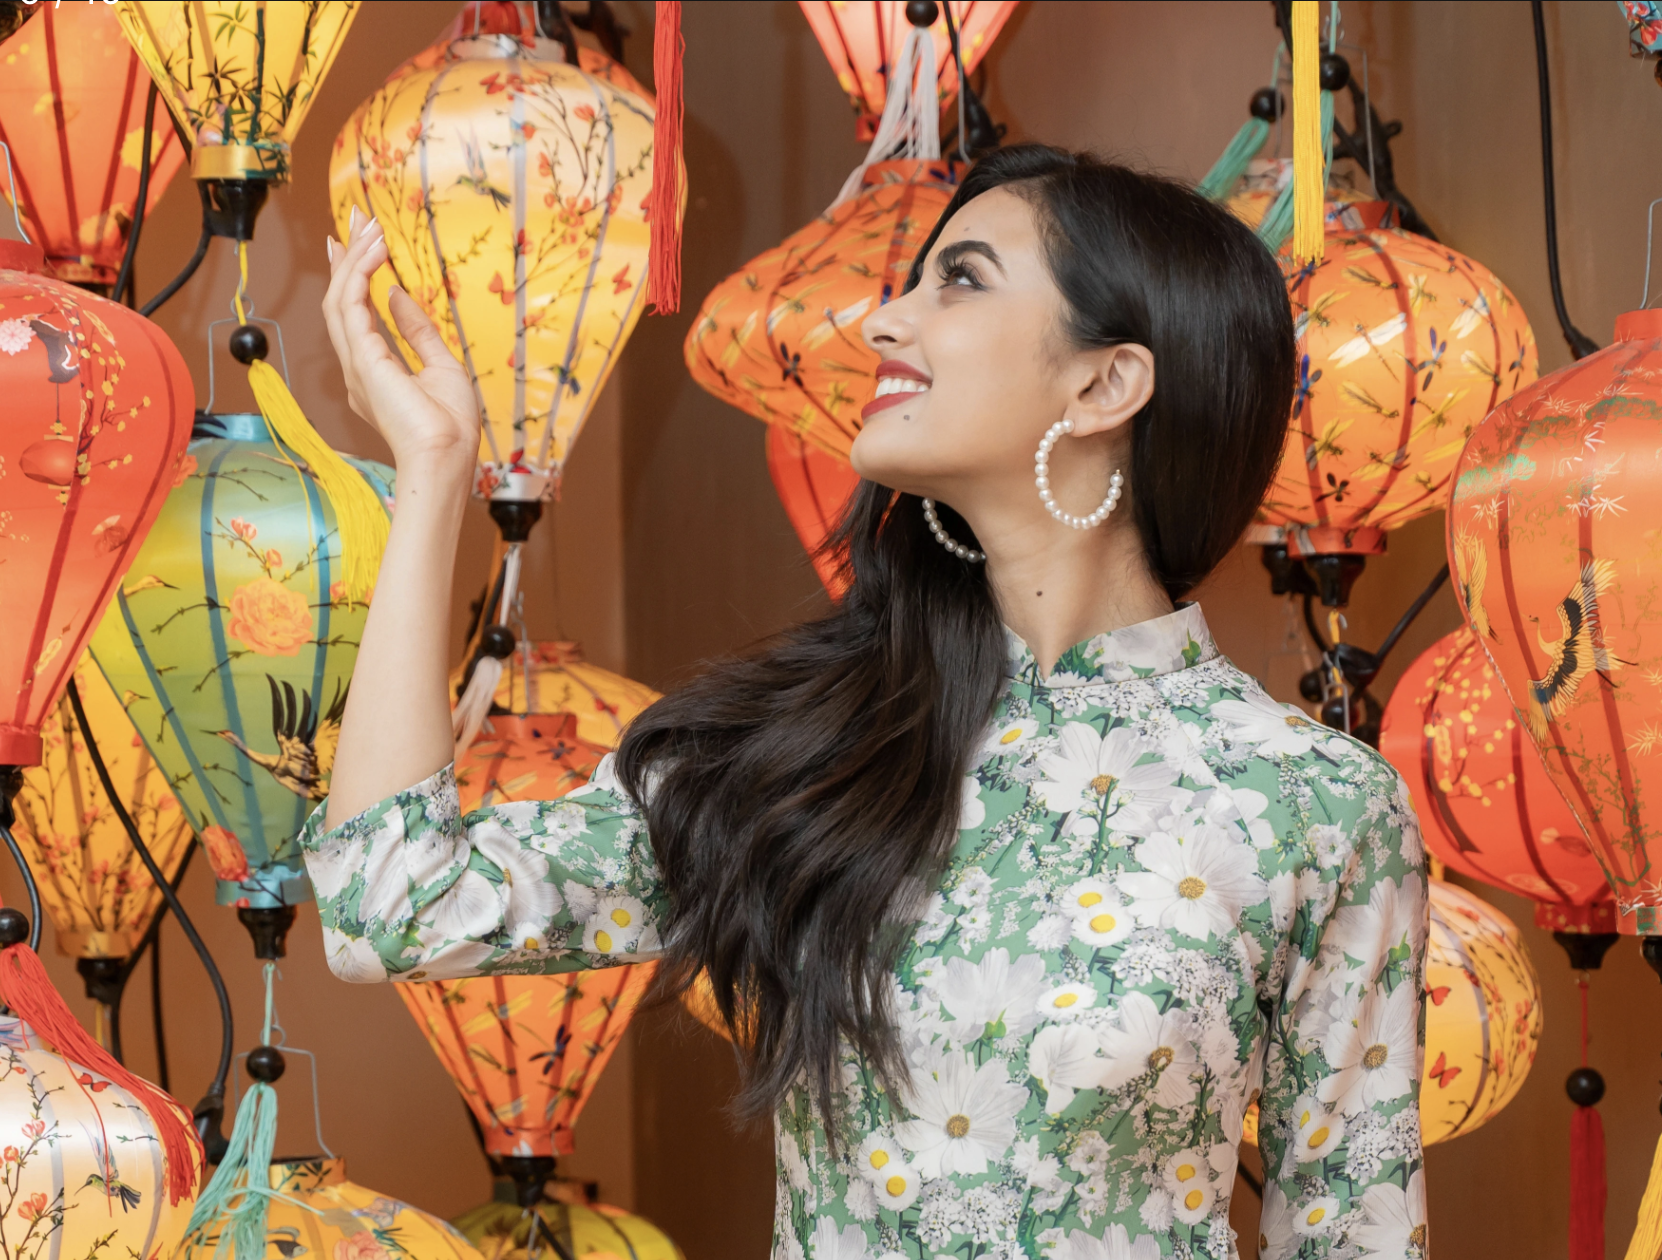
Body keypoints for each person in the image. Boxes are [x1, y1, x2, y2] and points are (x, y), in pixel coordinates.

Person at [307, 144, 1428, 1260]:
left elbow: (1355, 1236)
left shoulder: (1309, 806)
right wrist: (433, 468)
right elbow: (387, 903)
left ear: (1104, 383)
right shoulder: (809, 750)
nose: (885, 325)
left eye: (961, 279)